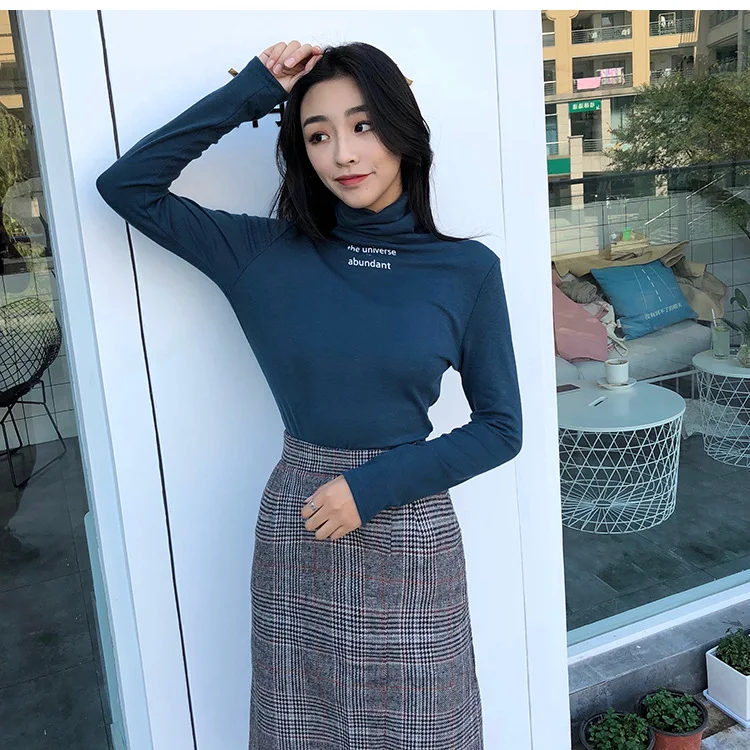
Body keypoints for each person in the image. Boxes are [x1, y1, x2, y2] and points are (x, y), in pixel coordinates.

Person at [96, 38, 523, 750]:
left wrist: (371, 486)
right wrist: (256, 89)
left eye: (363, 125)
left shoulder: (465, 269)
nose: (343, 154)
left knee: (424, 729)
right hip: (300, 525)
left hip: (410, 529)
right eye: (317, 134)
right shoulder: (262, 253)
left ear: (402, 131)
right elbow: (127, 186)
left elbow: (501, 428)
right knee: (300, 728)